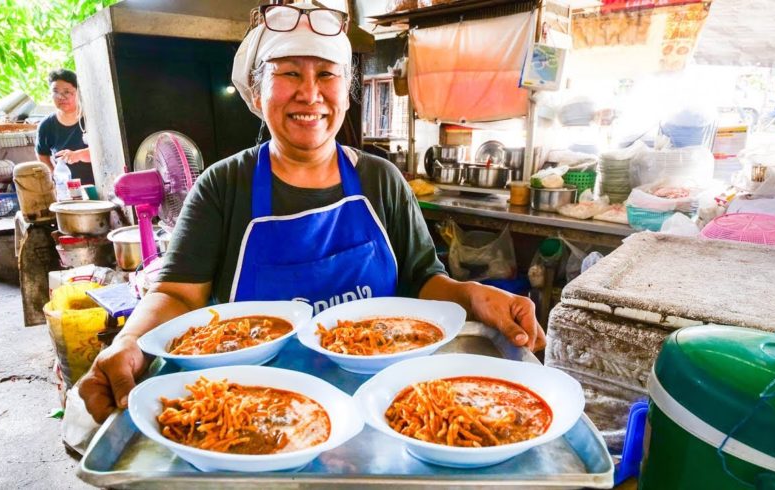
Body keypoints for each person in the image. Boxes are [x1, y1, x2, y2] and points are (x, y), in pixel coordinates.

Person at [79, 2, 546, 423]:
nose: (310, 93)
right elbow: (179, 297)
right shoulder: (223, 186)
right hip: (253, 412)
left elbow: (423, 280)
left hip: (389, 406)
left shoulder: (380, 180)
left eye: (326, 75)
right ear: (257, 92)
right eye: (288, 74)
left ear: (347, 90)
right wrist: (128, 343)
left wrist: (474, 294)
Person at [35, 69, 94, 185]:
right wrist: (54, 174)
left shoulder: (91, 119)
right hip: (68, 189)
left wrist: (78, 155)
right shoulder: (46, 125)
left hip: (98, 183)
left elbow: (104, 151)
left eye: (66, 92)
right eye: (55, 92)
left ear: (78, 92)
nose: (61, 97)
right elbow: (42, 154)